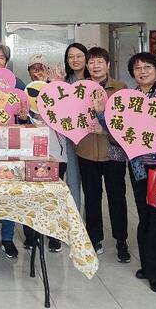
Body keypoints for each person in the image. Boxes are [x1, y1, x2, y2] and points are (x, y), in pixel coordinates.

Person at [95, 52, 156, 293]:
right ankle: (148, 265)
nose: (142, 71)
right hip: (139, 168)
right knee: (145, 217)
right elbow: (117, 128)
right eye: (137, 68)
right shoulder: (129, 98)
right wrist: (101, 113)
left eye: (147, 67)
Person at [76, 47, 131, 262]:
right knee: (92, 197)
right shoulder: (79, 88)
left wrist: (106, 129)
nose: (95, 66)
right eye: (91, 62)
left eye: (100, 62)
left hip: (113, 152)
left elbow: (126, 121)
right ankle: (94, 238)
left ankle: (121, 241)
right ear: (87, 65)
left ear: (107, 65)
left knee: (117, 198)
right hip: (86, 151)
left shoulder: (120, 88)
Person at [0, 42, 29, 259]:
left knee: (10, 191)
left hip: (11, 145)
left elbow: (25, 118)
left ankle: (8, 238)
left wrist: (23, 116)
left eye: (1, 57)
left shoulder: (18, 83)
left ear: (6, 62)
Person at [23, 54, 65, 253]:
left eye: (42, 68)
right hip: (32, 152)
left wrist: (57, 85)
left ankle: (53, 235)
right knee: (30, 195)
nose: (38, 72)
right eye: (34, 68)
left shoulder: (58, 91)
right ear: (29, 72)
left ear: (48, 70)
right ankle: (30, 235)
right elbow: (21, 121)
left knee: (53, 195)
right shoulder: (24, 92)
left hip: (57, 152)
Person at [62, 43, 88, 212]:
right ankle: (75, 218)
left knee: (91, 185)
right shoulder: (64, 82)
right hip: (69, 138)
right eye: (71, 57)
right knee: (72, 179)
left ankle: (90, 221)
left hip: (91, 138)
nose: (75, 60)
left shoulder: (94, 81)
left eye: (79, 56)